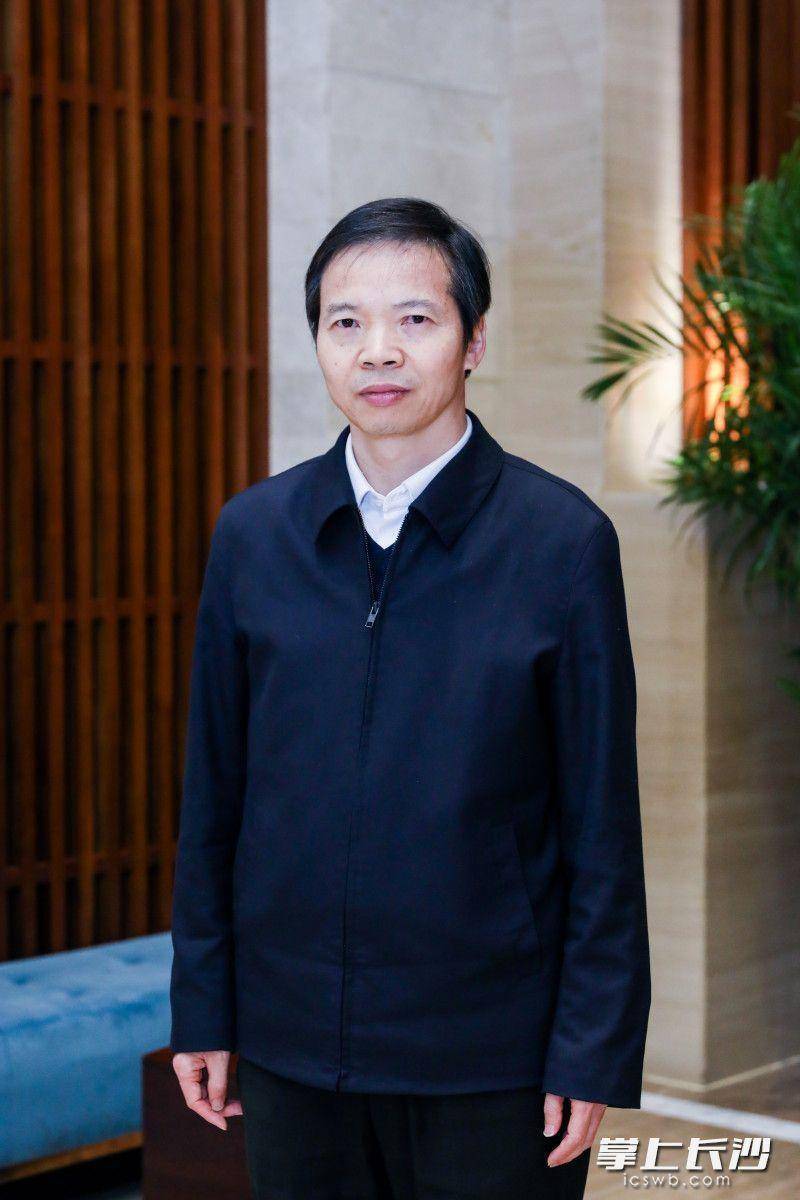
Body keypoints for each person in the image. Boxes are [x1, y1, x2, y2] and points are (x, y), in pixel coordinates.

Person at [169, 197, 651, 1199]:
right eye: (345, 322)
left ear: (473, 341)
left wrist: (591, 1048)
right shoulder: (254, 536)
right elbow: (214, 799)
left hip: (492, 1056)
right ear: (317, 341)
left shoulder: (560, 544)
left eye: (415, 319)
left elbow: (600, 823)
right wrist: (203, 1008)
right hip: (291, 1046)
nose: (377, 350)